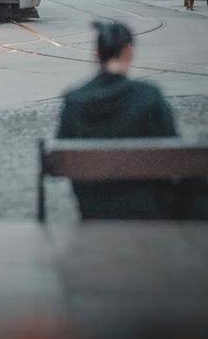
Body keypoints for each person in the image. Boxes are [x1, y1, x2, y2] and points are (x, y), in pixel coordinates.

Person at [57, 22, 176, 219]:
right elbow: (173, 152)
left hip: (93, 209)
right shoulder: (149, 97)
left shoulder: (74, 101)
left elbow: (62, 158)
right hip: (147, 209)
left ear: (97, 53)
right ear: (129, 51)